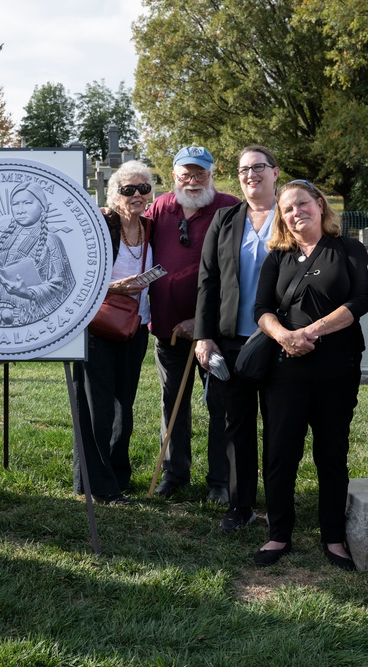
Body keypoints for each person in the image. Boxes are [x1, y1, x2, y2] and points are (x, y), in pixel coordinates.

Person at [251, 180, 368, 569]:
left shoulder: (349, 249)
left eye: (303, 203)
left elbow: (358, 302)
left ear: (320, 205)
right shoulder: (277, 257)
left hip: (337, 369)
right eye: (287, 208)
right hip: (285, 371)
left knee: (331, 454)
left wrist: (311, 332)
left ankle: (333, 537)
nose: (296, 211)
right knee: (281, 454)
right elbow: (262, 309)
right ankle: (278, 533)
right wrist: (285, 336)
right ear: (281, 217)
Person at [194, 146, 279, 531]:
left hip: (279, 342)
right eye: (244, 169)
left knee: (279, 428)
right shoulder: (225, 219)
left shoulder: (291, 216)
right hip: (231, 342)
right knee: (236, 426)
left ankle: (279, 508)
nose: (250, 175)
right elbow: (208, 280)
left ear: (275, 172)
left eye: (258, 167)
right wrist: (204, 336)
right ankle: (240, 506)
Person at [147, 146, 239, 500]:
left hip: (215, 331)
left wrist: (201, 322)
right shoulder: (160, 208)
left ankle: (221, 480)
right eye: (186, 174)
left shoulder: (228, 207)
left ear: (211, 175)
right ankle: (174, 473)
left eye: (200, 174)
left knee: (222, 403)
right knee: (173, 401)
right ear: (174, 176)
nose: (193, 180)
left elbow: (236, 272)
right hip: (167, 328)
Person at [72, 160, 154, 506]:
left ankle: (117, 476)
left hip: (134, 329)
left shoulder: (153, 227)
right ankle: (96, 484)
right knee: (97, 409)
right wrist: (111, 287)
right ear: (114, 194)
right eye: (128, 189)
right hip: (97, 328)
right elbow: (75, 273)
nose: (136, 195)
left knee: (125, 407)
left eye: (143, 188)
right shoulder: (99, 225)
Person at [0, 181, 76, 327]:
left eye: (27, 203)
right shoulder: (5, 239)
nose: (20, 210)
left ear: (42, 207)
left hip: (28, 318)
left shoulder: (51, 240)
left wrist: (29, 293)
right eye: (15, 204)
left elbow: (62, 285)